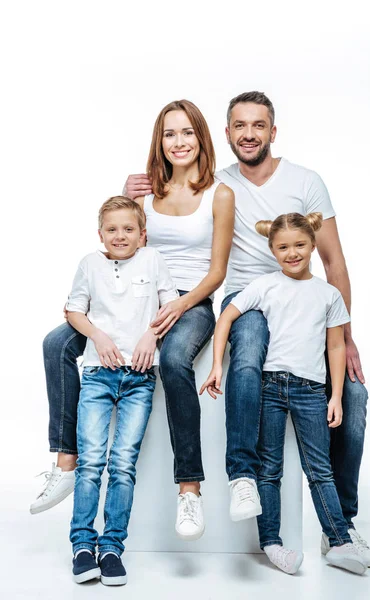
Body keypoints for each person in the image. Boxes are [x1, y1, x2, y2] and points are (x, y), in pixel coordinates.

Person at [124, 91, 370, 566]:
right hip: (247, 303)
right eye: (239, 126)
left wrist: (345, 336)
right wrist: (132, 192)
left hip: (307, 309)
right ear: (225, 135)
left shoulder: (306, 182)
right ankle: (241, 480)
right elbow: (161, 214)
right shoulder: (215, 185)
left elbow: (334, 263)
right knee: (248, 355)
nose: (248, 134)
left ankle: (341, 527)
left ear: (273, 131)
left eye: (258, 125)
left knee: (358, 394)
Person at [34, 100, 235, 543]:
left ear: (201, 138)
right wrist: (126, 192)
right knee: (55, 344)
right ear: (158, 142)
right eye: (169, 134)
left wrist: (178, 308)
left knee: (177, 360)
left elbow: (217, 273)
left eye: (187, 133)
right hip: (134, 298)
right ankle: (66, 461)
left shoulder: (219, 193)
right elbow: (120, 238)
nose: (178, 142)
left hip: (190, 300)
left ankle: (189, 487)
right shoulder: (146, 189)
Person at [201, 212, 368, 575]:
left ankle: (339, 541)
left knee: (320, 470)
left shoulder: (328, 295)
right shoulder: (264, 285)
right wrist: (217, 364)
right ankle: (272, 544)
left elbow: (336, 347)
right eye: (282, 247)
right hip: (271, 387)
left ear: (312, 245)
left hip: (311, 391)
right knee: (269, 469)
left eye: (300, 245)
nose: (292, 253)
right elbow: (226, 317)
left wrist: (336, 395)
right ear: (272, 250)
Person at [67, 196, 178, 585]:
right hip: (98, 375)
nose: (120, 235)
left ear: (142, 234)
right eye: (112, 229)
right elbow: (74, 309)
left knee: (123, 465)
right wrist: (97, 336)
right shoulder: (89, 264)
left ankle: (112, 548)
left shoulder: (153, 261)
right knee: (92, 462)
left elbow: (171, 304)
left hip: (140, 378)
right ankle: (82, 546)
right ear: (100, 234)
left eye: (129, 229)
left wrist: (151, 333)